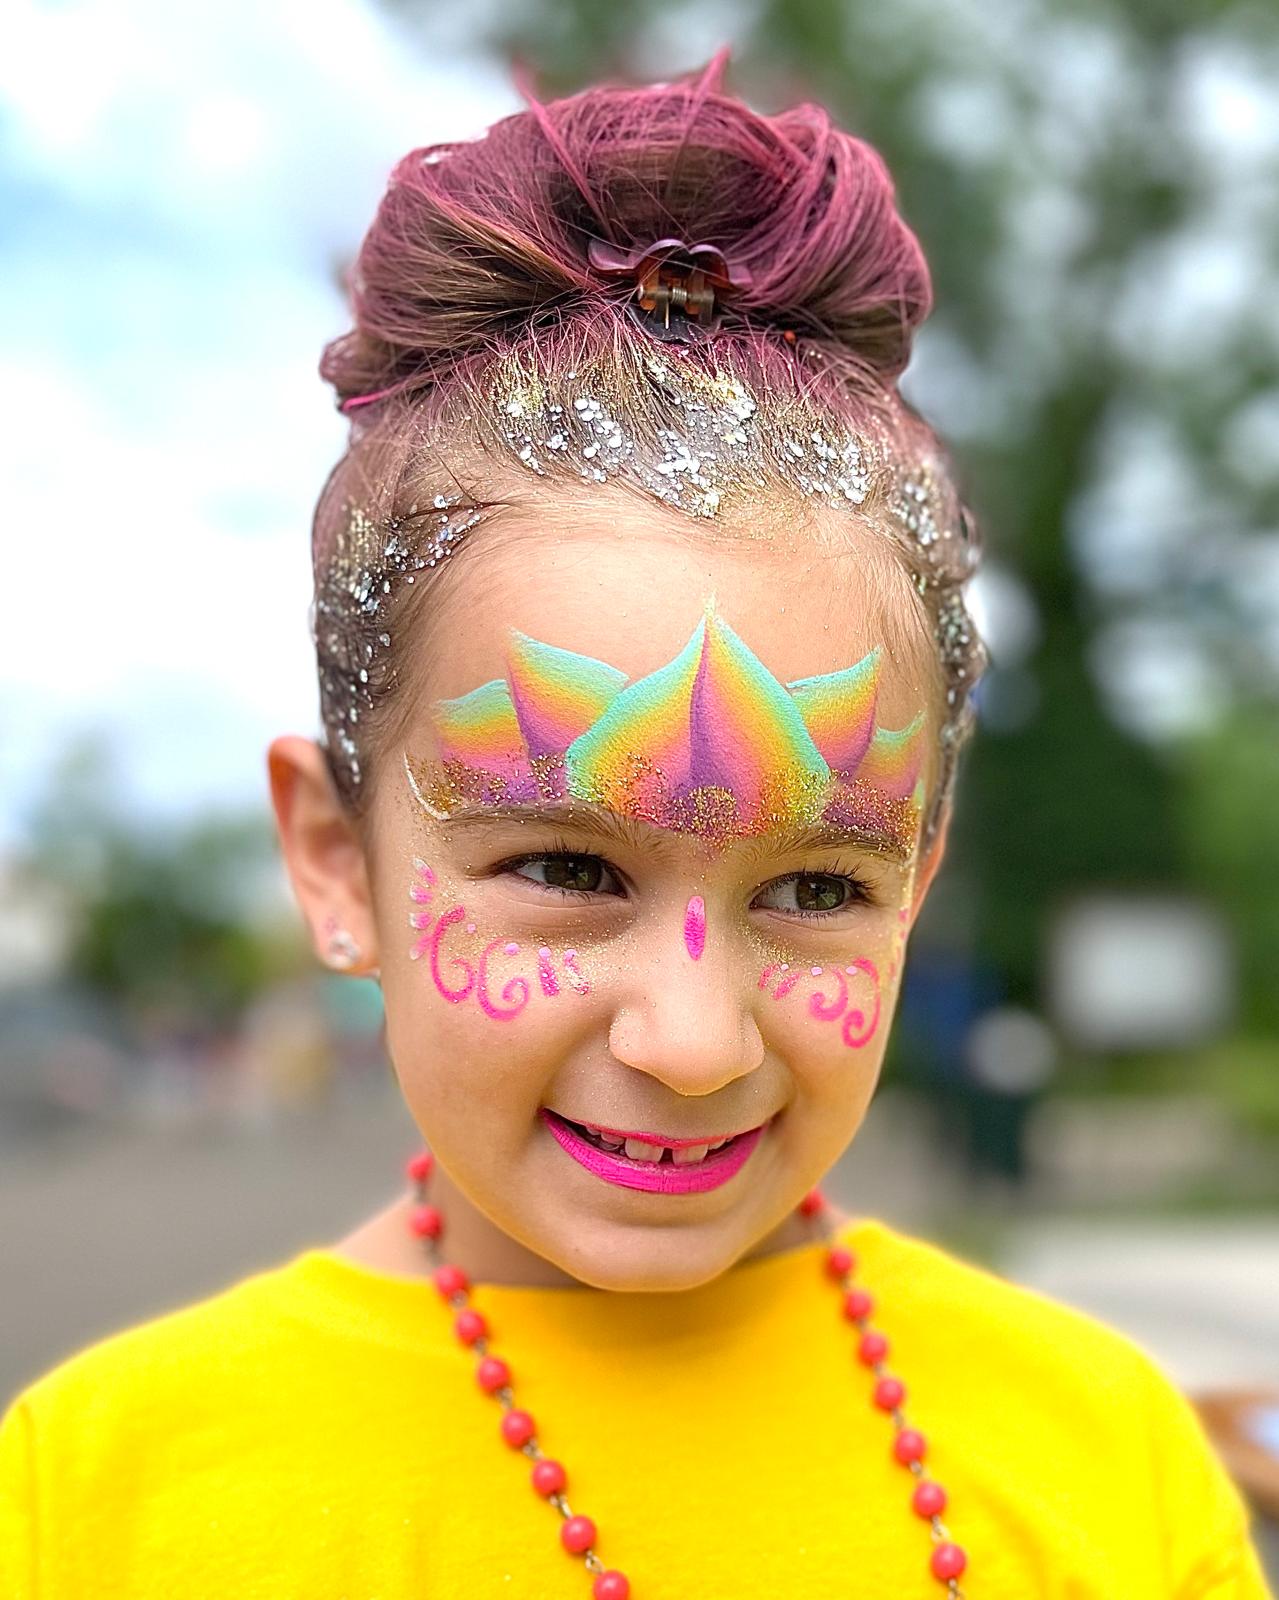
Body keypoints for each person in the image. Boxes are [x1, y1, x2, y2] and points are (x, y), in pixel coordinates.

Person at [1, 48, 1272, 1600]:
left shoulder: (1109, 1466)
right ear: (337, 863)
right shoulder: (97, 1499)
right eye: (563, 867)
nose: (694, 1041)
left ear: (919, 876)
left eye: (814, 889)